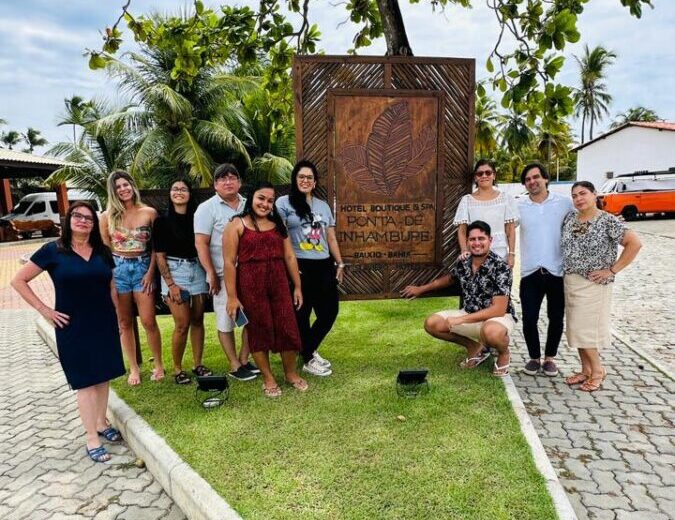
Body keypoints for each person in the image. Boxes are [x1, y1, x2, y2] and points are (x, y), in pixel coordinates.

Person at [12, 202, 125, 463]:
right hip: (72, 326)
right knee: (84, 382)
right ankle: (91, 438)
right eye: (78, 216)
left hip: (103, 322)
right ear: (68, 220)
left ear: (94, 224)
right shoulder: (53, 251)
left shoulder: (102, 252)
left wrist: (118, 318)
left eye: (88, 218)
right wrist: (45, 311)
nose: (83, 221)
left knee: (103, 376)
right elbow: (18, 280)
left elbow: (111, 289)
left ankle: (101, 423)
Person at [223, 182, 308, 397]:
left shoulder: (278, 225)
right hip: (251, 286)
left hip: (279, 283)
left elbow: (289, 256)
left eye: (270, 201)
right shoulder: (236, 224)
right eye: (261, 198)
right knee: (259, 330)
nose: (265, 204)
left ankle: (290, 373)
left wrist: (297, 286)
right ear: (251, 197)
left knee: (288, 327)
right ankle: (268, 377)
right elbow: (229, 262)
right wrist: (232, 297)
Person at [402, 220, 516, 377]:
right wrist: (421, 289)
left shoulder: (501, 268)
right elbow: (449, 279)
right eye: (472, 239)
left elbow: (498, 309)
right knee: (432, 323)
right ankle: (475, 348)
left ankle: (504, 354)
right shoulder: (464, 262)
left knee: (492, 333)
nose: (477, 243)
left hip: (497, 319)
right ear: (467, 241)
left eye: (481, 239)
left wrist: (461, 320)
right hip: (469, 314)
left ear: (490, 240)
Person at [561, 181, 641, 392]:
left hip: (594, 284)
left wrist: (612, 270)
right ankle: (585, 369)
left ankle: (597, 371)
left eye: (583, 193)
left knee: (586, 330)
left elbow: (635, 243)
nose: (579, 198)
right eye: (575, 195)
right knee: (576, 330)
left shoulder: (607, 221)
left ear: (595, 195)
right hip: (571, 281)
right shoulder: (571, 218)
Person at [276, 160, 344, 377]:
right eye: (301, 177)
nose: (305, 180)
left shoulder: (323, 206)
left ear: (314, 182)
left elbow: (330, 237)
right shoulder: (284, 203)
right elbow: (280, 236)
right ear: (295, 180)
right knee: (302, 313)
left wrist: (340, 263)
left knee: (330, 311)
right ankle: (308, 358)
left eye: (309, 178)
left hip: (323, 264)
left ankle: (307, 350)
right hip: (299, 263)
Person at [194, 163, 257, 381]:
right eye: (222, 179)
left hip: (251, 273)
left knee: (252, 318)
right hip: (222, 275)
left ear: (239, 182)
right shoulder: (206, 208)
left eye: (232, 177)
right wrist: (210, 272)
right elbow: (201, 243)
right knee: (226, 319)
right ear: (215, 185)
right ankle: (233, 364)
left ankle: (244, 358)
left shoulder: (250, 205)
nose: (228, 182)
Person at [100, 170, 163, 386]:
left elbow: (157, 246)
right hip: (118, 269)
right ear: (113, 191)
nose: (123, 189)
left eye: (126, 185)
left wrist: (150, 272)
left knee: (148, 321)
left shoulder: (149, 212)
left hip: (143, 267)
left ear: (132, 186)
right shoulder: (106, 217)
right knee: (124, 322)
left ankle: (159, 365)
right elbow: (105, 250)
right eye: (118, 187)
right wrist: (110, 278)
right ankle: (134, 368)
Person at [518, 163, 574, 377]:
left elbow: (585, 216)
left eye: (536, 177)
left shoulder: (564, 203)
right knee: (529, 317)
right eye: (528, 179)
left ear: (545, 179)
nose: (532, 182)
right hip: (530, 271)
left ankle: (550, 358)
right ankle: (533, 357)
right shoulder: (520, 206)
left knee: (556, 317)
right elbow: (504, 228)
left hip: (557, 271)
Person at [154, 179, 211, 385]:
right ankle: (177, 369)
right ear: (170, 194)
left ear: (189, 194)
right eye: (175, 189)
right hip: (174, 271)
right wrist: (170, 284)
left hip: (197, 269)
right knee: (182, 324)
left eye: (183, 189)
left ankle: (198, 364)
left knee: (198, 319)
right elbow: (159, 255)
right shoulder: (161, 222)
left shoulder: (198, 219)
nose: (179, 192)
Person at [453, 159, 519, 267]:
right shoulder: (467, 200)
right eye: (480, 173)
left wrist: (511, 254)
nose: (484, 176)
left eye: (488, 172)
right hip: (475, 253)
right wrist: (464, 251)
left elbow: (510, 230)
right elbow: (462, 230)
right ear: (475, 177)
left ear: (494, 175)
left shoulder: (505, 199)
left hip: (500, 253)